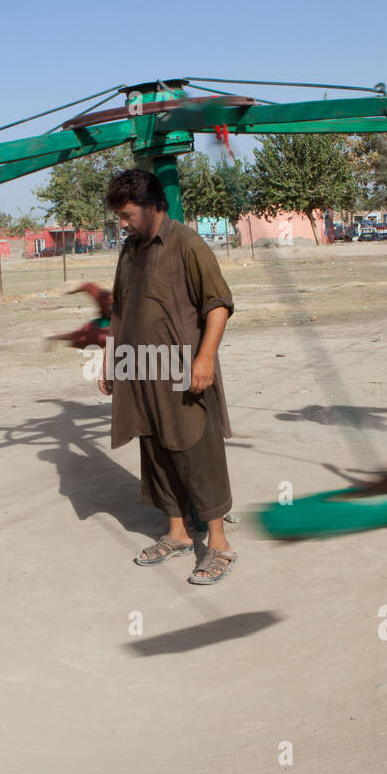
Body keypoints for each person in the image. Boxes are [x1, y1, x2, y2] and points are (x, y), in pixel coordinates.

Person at [102, 169, 237, 585]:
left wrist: (205, 358)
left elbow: (218, 303)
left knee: (196, 452)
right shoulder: (129, 251)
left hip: (182, 369)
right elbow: (120, 309)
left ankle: (218, 543)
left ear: (152, 205)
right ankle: (177, 532)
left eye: (126, 215)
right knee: (155, 451)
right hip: (138, 369)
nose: (122, 223)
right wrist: (110, 359)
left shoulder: (187, 243)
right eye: (119, 217)